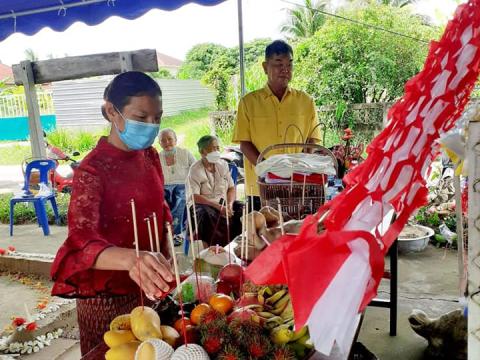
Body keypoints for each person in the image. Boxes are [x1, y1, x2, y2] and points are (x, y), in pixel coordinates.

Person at [50, 71, 174, 356]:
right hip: (107, 297)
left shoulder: (150, 155)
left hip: (149, 288)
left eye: (157, 118)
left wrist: (165, 256)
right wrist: (133, 259)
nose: (151, 126)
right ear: (111, 112)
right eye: (141, 118)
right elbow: (82, 240)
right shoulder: (92, 171)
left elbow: (158, 209)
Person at [233, 40, 321, 209]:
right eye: (278, 64)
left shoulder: (305, 101)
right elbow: (244, 143)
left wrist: (299, 168)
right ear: (265, 67)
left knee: (295, 232)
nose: (285, 70)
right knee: (262, 234)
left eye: (289, 64)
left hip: (297, 186)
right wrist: (268, 171)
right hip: (260, 188)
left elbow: (313, 139)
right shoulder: (248, 102)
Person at [187, 135, 243, 247]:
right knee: (206, 215)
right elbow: (194, 197)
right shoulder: (195, 169)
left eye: (218, 148)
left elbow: (231, 188)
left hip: (223, 202)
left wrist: (230, 205)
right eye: (213, 148)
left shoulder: (223, 165)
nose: (217, 151)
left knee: (243, 208)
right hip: (204, 204)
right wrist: (218, 207)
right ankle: (212, 250)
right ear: (203, 152)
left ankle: (238, 246)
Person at [158, 128, 195, 245]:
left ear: (176, 140)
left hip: (182, 185)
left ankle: (176, 233)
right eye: (163, 140)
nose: (167, 142)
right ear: (159, 143)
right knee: (160, 201)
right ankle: (165, 232)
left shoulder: (185, 153)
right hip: (164, 187)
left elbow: (195, 169)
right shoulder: (157, 157)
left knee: (179, 196)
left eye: (170, 139)